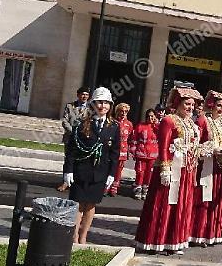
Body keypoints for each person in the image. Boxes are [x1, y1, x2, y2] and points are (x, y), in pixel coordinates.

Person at [134, 85, 205, 254]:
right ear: (178, 103)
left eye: (192, 105)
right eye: (187, 104)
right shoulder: (169, 120)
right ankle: (156, 240)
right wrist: (165, 168)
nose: (190, 107)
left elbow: (193, 146)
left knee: (181, 205)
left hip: (187, 171)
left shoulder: (191, 123)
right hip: (171, 169)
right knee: (165, 203)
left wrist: (203, 150)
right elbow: (165, 146)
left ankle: (175, 240)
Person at [62, 87, 121, 245]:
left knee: (90, 205)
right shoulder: (81, 124)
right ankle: (74, 237)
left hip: (99, 173)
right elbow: (71, 150)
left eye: (106, 103)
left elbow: (115, 153)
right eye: (99, 102)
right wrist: (68, 171)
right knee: (78, 205)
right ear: (93, 104)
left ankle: (84, 236)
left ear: (110, 105)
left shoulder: (114, 126)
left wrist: (112, 174)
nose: (102, 106)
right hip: (81, 171)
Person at [192, 91, 222, 247]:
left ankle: (211, 234)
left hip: (221, 168)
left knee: (217, 199)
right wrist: (212, 150)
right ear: (212, 106)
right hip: (207, 166)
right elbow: (195, 145)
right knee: (203, 198)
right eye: (219, 106)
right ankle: (198, 234)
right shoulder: (204, 121)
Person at [131, 108, 159, 200]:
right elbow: (134, 139)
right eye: (149, 116)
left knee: (149, 173)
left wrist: (156, 124)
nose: (150, 118)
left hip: (152, 155)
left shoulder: (157, 127)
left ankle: (146, 188)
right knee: (140, 172)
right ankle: (138, 187)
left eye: (152, 116)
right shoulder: (140, 126)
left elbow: (163, 135)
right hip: (141, 153)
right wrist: (133, 151)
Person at [107, 102, 133, 197]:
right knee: (109, 167)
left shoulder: (129, 124)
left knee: (118, 170)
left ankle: (115, 187)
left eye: (125, 111)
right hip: (112, 150)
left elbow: (130, 138)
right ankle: (107, 186)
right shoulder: (112, 122)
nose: (123, 113)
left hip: (123, 150)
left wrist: (130, 150)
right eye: (121, 111)